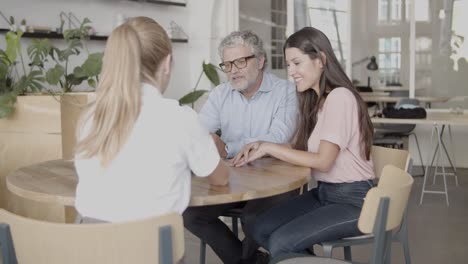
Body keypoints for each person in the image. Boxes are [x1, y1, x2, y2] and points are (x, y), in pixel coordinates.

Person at [234, 27, 376, 261]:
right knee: (259, 228)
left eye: (297, 63)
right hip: (324, 194)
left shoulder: (340, 98)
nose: (291, 72)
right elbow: (299, 149)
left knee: (281, 243)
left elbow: (323, 161)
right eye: (289, 65)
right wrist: (263, 145)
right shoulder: (316, 101)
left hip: (355, 201)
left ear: (321, 60)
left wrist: (270, 148)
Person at [73, 16, 229, 223]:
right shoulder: (180, 119)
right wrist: (209, 150)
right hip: (150, 251)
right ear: (166, 63)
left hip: (86, 247)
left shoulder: (91, 117)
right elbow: (221, 179)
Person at [183, 30, 298, 264]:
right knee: (190, 214)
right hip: (233, 180)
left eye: (240, 62)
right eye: (227, 65)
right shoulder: (220, 95)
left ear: (261, 60)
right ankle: (252, 262)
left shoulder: (286, 92)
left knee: (254, 218)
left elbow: (274, 138)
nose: (233, 70)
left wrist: (226, 148)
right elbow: (198, 132)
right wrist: (205, 141)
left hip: (277, 180)